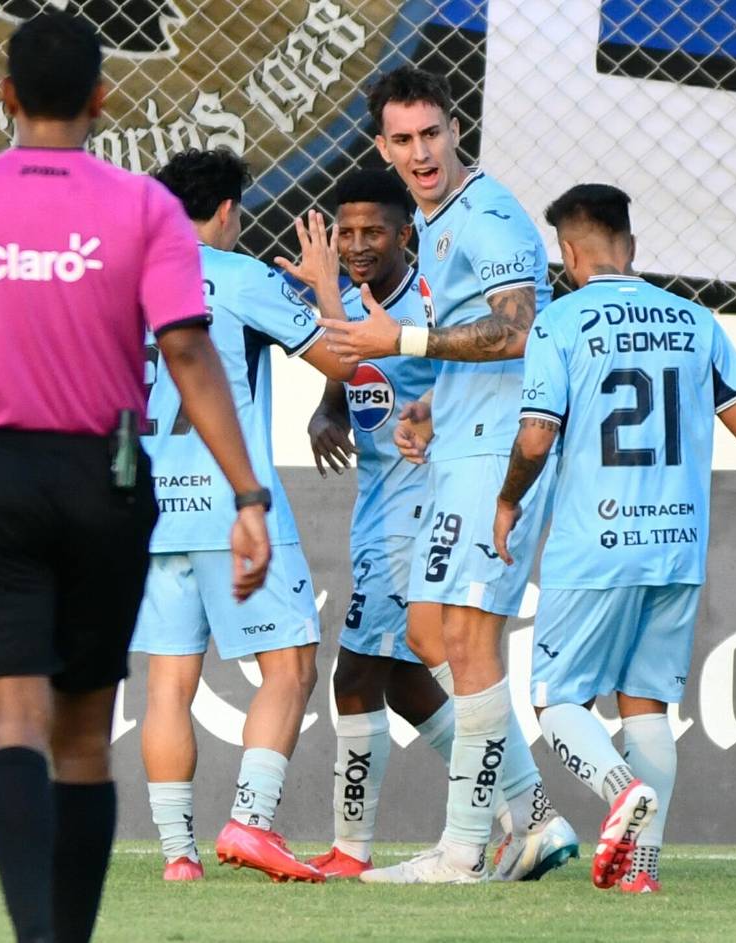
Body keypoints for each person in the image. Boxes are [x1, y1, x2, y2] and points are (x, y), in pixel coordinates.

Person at [0, 15, 270, 942]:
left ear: (6, 96)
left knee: (12, 726)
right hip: (106, 477)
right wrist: (247, 493)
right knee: (83, 736)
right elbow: (188, 351)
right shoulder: (145, 208)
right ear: (101, 97)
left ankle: (34, 936)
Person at [492, 183, 736, 893]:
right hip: (676, 544)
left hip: (594, 546)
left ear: (569, 253)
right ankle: (642, 868)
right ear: (631, 248)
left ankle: (618, 791)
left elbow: (535, 433)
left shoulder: (560, 321)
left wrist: (508, 499)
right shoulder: (694, 320)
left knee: (557, 701)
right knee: (646, 704)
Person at [317, 66, 577, 884]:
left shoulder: (490, 215)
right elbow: (470, 337)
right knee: (428, 633)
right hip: (461, 438)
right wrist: (433, 403)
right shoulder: (434, 221)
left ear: (455, 128)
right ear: (382, 145)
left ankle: (464, 850)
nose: (421, 152)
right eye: (403, 139)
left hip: (501, 446)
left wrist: (407, 347)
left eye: (432, 133)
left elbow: (519, 331)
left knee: (461, 635)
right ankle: (530, 819)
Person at [130, 149, 354, 885]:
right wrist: (325, 287)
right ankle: (251, 823)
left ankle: (177, 857)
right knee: (289, 664)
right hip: (234, 504)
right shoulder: (242, 277)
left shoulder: (129, 283)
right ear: (228, 211)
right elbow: (344, 363)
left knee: (168, 681)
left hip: (151, 511)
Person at [302, 169, 458, 878]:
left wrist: (435, 431)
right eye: (348, 232)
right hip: (380, 511)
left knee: (356, 676)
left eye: (373, 231)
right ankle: (526, 806)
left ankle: (350, 848)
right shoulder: (363, 305)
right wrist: (331, 405)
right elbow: (353, 361)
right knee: (403, 681)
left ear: (405, 234)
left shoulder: (429, 306)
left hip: (413, 516)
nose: (358, 244)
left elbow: (475, 383)